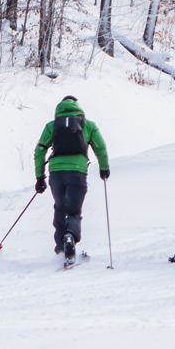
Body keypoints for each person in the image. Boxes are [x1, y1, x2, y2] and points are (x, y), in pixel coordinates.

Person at [33, 96, 110, 261]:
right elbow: (100, 147)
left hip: (56, 173)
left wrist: (40, 177)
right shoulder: (87, 125)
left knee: (60, 207)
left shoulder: (52, 126)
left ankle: (61, 249)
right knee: (73, 210)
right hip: (77, 172)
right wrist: (104, 168)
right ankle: (70, 237)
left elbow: (40, 150)